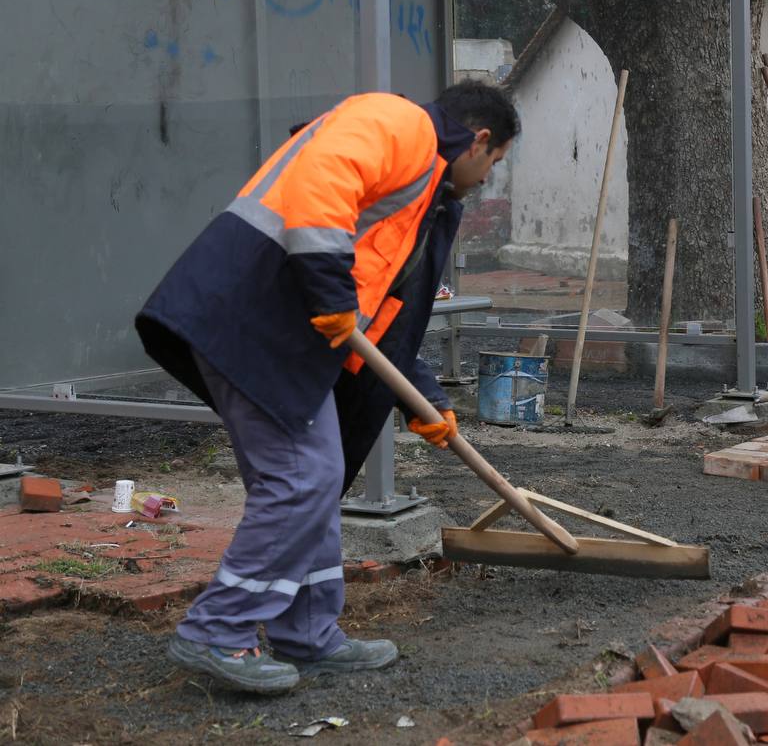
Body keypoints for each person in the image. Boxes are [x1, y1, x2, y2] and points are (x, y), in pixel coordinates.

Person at [135, 81, 519, 694]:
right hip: (253, 321)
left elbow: (389, 314)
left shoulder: (425, 196)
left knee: (317, 478)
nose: (486, 179)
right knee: (299, 480)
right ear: (478, 141)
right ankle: (218, 630)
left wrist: (425, 398)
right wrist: (333, 294)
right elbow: (323, 181)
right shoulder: (399, 124)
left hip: (278, 336)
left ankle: (307, 633)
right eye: (494, 163)